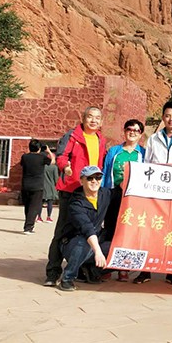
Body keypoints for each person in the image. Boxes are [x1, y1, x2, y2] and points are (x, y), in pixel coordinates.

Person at [44, 106, 107, 287]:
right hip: (71, 189)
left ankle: (82, 269)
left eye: (97, 118)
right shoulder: (72, 136)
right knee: (62, 230)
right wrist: (66, 167)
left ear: (101, 121)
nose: (93, 121)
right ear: (83, 118)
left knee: (89, 230)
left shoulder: (101, 140)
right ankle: (52, 272)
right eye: (90, 117)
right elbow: (61, 156)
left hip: (91, 191)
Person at [132, 101, 172, 285]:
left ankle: (170, 271)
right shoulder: (154, 139)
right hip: (155, 193)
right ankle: (145, 270)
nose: (171, 119)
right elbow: (147, 164)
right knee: (151, 230)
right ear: (163, 117)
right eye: (167, 115)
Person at [102, 119, 146, 281]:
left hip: (133, 198)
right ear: (124, 131)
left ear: (141, 134)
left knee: (128, 232)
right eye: (129, 129)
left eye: (136, 130)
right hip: (113, 195)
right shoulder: (114, 151)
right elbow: (105, 172)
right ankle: (107, 265)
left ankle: (124, 267)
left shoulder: (143, 154)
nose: (132, 132)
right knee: (110, 230)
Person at [57, 165, 112, 291]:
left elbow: (122, 192)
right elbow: (87, 229)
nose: (94, 181)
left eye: (98, 177)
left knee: (120, 249)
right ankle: (68, 278)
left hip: (96, 240)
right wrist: (98, 252)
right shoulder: (76, 203)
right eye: (90, 178)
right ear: (82, 181)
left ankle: (90, 270)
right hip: (73, 243)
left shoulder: (106, 194)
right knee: (84, 243)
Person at [20, 139, 51, 234]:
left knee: (27, 206)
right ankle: (28, 227)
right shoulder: (42, 157)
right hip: (37, 185)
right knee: (34, 207)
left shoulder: (25, 157)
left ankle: (28, 226)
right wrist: (48, 151)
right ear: (39, 148)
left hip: (25, 185)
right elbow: (52, 161)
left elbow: (22, 164)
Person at [38, 145, 58, 223]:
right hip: (51, 186)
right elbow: (56, 178)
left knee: (40, 202)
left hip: (41, 185)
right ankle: (48, 217)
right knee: (50, 203)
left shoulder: (42, 166)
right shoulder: (54, 167)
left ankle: (39, 217)